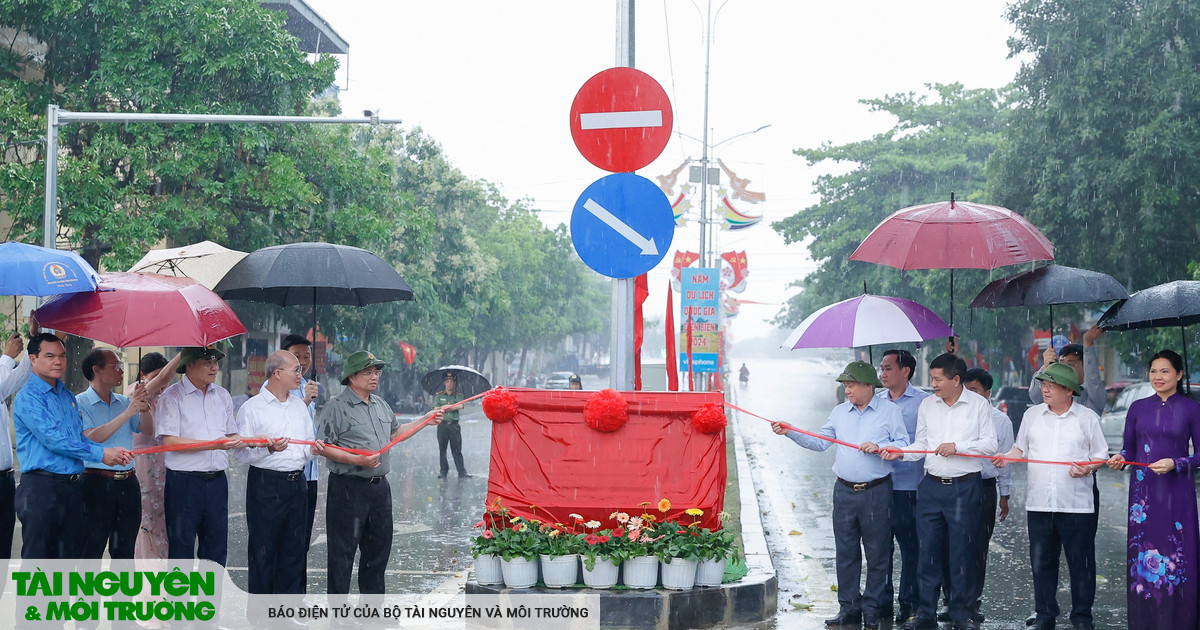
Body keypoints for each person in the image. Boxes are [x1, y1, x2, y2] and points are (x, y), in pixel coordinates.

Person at [773, 361, 909, 629]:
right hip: (844, 491)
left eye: (851, 385)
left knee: (878, 554)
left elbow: (904, 444)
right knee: (845, 552)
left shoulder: (889, 411)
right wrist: (791, 431)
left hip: (877, 492)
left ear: (868, 386)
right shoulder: (839, 413)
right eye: (845, 386)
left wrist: (881, 446)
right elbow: (821, 442)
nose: (847, 391)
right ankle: (848, 607)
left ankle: (872, 607)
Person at [881, 353, 997, 630]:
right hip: (931, 486)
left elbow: (990, 445)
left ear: (956, 380)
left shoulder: (979, 406)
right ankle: (925, 613)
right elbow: (920, 443)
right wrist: (900, 452)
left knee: (962, 552)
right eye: (931, 378)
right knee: (928, 551)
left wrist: (959, 446)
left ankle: (961, 613)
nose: (932, 384)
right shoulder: (927, 406)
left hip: (965, 486)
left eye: (938, 379)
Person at [318, 351, 440, 599]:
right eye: (367, 372)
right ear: (351, 377)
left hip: (378, 488)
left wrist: (424, 420)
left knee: (378, 549)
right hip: (347, 488)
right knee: (342, 552)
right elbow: (323, 446)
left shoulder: (380, 404)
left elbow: (395, 434)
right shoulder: (336, 407)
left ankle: (372, 606)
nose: (374, 377)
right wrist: (356, 459)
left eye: (376, 372)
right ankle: (339, 610)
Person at [995, 362, 1107, 630]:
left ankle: (1082, 617)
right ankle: (1045, 615)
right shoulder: (1032, 415)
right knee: (1042, 563)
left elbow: (1100, 455)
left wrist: (1088, 469)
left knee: (1081, 563)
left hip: (1076, 504)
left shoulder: (1086, 418)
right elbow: (1019, 450)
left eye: (1051, 385)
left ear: (1068, 390)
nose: (1044, 389)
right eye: (1043, 384)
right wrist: (1004, 459)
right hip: (1040, 503)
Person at [12, 333, 132, 558]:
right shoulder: (29, 397)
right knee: (40, 564)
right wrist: (100, 454)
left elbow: (76, 438)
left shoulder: (66, 395)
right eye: (49, 356)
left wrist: (110, 452)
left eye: (62, 356)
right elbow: (54, 440)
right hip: (42, 488)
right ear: (32, 359)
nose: (57, 361)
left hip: (73, 488)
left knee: (68, 562)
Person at [1106, 350, 1200, 630]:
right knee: (1144, 562)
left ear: (1179, 375)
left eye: (1165, 371)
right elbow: (1128, 449)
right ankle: (1145, 622)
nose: (1158, 377)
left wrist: (1177, 462)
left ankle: (1181, 622)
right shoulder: (1137, 408)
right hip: (1143, 500)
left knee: (1178, 558)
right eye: (1154, 371)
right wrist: (1120, 459)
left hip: (1177, 495)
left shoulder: (1192, 408)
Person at [235, 350, 325, 595]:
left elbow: (305, 446)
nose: (301, 374)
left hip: (297, 484)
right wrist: (268, 450)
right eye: (295, 369)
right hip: (266, 484)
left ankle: (287, 612)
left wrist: (314, 451)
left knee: (294, 550)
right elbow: (240, 453)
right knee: (263, 551)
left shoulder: (299, 406)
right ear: (277, 373)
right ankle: (261, 616)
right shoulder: (252, 408)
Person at [155, 345, 254, 566]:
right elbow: (170, 442)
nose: (214, 367)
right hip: (184, 483)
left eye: (216, 362)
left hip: (217, 481)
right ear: (189, 365)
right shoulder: (172, 397)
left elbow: (230, 434)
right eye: (207, 362)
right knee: (181, 551)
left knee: (216, 553)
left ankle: (208, 602)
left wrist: (255, 441)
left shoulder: (222, 395)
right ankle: (178, 602)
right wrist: (213, 444)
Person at [77, 348, 150, 559]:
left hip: (127, 482)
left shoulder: (125, 401)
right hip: (95, 482)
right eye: (115, 365)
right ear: (96, 370)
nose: (120, 370)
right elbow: (92, 436)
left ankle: (123, 593)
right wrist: (129, 411)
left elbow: (147, 429)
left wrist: (144, 406)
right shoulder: (80, 402)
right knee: (90, 551)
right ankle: (86, 593)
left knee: (125, 552)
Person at [877, 348, 930, 624]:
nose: (882, 373)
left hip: (910, 487)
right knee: (879, 549)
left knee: (911, 549)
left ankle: (909, 603)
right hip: (878, 486)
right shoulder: (875, 402)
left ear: (905, 371)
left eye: (888, 368)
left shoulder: (925, 403)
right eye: (881, 369)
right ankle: (880, 601)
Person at [960, 367, 1014, 625]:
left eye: (975, 391)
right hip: (958, 485)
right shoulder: (958, 414)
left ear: (988, 393)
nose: (969, 396)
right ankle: (953, 600)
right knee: (953, 545)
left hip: (984, 487)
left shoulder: (1000, 420)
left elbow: (1004, 460)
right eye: (966, 390)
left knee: (978, 547)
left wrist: (1004, 494)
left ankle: (972, 602)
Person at [281, 332, 322, 586]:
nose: (303, 361)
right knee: (287, 539)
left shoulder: (308, 384)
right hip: (286, 474)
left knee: (303, 539)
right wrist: (305, 400)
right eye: (297, 356)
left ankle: (298, 594)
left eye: (307, 356)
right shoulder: (274, 388)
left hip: (310, 473)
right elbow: (284, 423)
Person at [0, 331, 32, 559]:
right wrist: (8, 357)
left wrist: (36, 336)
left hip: (5, 480)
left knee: (3, 550)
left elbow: (23, 374)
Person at [1028, 326, 1106, 416]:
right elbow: (1035, 396)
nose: (1065, 369)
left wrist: (1088, 344)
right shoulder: (1053, 393)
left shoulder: (1093, 395)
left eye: (1071, 364)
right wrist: (1046, 366)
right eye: (1061, 363)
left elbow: (1093, 379)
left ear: (1085, 367)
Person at [433, 371, 468, 479]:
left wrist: (445, 407)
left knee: (457, 450)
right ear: (444, 382)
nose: (449, 383)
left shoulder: (458, 395)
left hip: (454, 426)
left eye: (451, 381)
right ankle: (443, 471)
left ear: (454, 382)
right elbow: (436, 409)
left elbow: (460, 406)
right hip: (443, 425)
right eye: (447, 381)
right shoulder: (439, 395)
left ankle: (462, 472)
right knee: (442, 450)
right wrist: (451, 406)